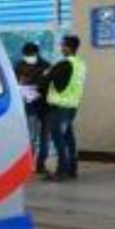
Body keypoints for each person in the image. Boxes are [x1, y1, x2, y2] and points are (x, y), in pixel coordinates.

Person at [43, 34, 86, 181]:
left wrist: (46, 74)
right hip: (72, 106)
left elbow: (47, 79)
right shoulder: (80, 64)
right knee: (68, 138)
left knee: (58, 138)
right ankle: (72, 169)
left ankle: (61, 171)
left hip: (59, 106)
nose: (61, 48)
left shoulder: (64, 64)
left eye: (62, 45)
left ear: (68, 47)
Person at [14, 42, 50, 173]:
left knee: (44, 138)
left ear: (36, 53)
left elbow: (49, 83)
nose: (28, 57)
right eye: (27, 55)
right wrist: (22, 87)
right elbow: (15, 83)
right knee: (32, 137)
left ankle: (41, 165)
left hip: (45, 105)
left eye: (31, 54)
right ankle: (29, 164)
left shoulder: (45, 65)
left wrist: (37, 87)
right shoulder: (19, 65)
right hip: (30, 105)